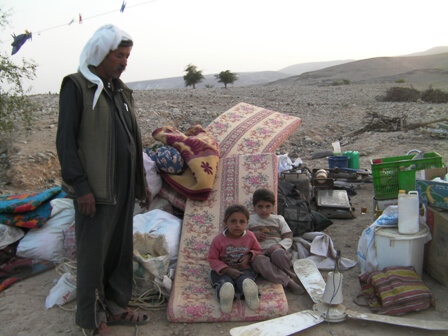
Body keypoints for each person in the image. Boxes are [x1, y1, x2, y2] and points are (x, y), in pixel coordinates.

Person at [56, 24, 150, 335]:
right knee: (92, 257)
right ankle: (91, 321)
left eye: (127, 56)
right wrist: (80, 187)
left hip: (122, 190)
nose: (124, 61)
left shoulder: (121, 91)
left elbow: (131, 141)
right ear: (100, 53)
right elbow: (66, 143)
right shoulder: (77, 86)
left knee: (119, 251)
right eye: (119, 55)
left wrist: (141, 184)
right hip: (94, 192)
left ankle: (116, 306)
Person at [248, 188, 305, 295]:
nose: (264, 210)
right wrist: (252, 235)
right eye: (260, 206)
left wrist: (279, 246)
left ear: (273, 206)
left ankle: (289, 273)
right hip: (258, 253)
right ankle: (288, 281)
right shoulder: (249, 220)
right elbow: (239, 236)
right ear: (254, 207)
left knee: (280, 254)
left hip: (276, 250)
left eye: (267, 206)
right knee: (259, 261)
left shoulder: (279, 219)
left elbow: (288, 236)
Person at [208, 204, 262, 313]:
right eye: (233, 221)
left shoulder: (250, 236)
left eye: (242, 222)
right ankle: (226, 298)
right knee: (225, 283)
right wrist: (226, 269)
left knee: (245, 281)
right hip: (223, 271)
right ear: (225, 223)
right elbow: (212, 259)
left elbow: (259, 250)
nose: (237, 225)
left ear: (247, 223)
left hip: (244, 270)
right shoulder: (218, 240)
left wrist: (249, 255)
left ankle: (251, 295)